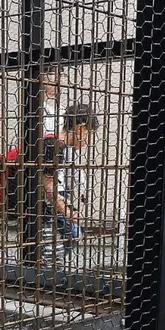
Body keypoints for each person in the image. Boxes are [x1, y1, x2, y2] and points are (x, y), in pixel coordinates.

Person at [36, 102, 97, 265]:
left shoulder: (59, 145)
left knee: (70, 236)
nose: (89, 140)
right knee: (50, 255)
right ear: (80, 127)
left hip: (44, 207)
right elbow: (50, 192)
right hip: (39, 208)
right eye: (90, 133)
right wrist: (70, 213)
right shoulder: (53, 146)